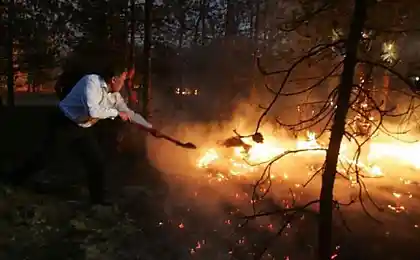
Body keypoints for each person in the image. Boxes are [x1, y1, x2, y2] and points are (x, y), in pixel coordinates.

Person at [2, 62, 159, 205]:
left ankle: (97, 200)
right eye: (123, 79)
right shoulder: (91, 82)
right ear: (113, 79)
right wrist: (115, 113)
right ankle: (13, 179)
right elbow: (93, 110)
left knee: (96, 161)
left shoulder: (115, 96)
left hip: (83, 128)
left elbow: (129, 113)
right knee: (44, 158)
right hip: (64, 123)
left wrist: (149, 127)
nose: (124, 83)